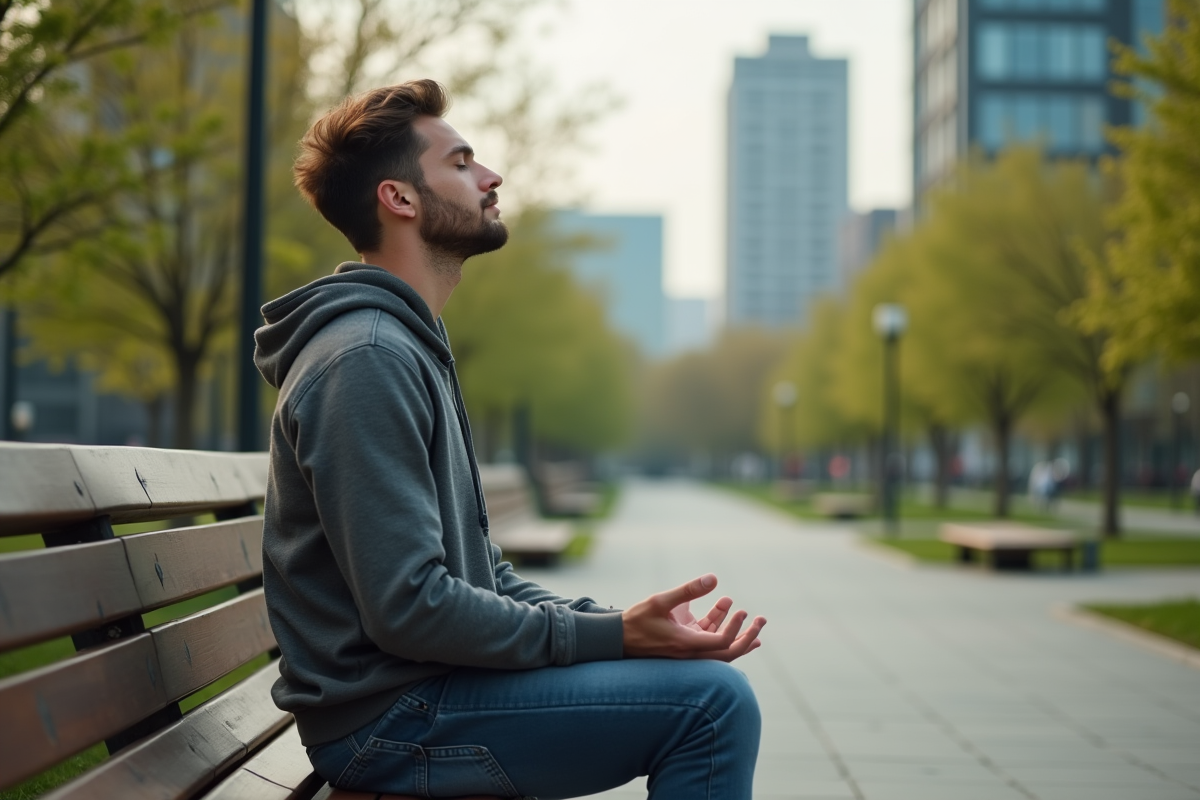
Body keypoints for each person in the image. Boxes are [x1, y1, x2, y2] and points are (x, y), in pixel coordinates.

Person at [253, 80, 766, 800]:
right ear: (398, 199)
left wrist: (619, 623)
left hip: (421, 695)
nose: (491, 178)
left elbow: (481, 578)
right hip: (389, 721)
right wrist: (614, 640)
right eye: (462, 163)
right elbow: (412, 609)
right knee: (711, 705)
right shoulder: (367, 358)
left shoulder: (403, 346)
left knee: (703, 686)